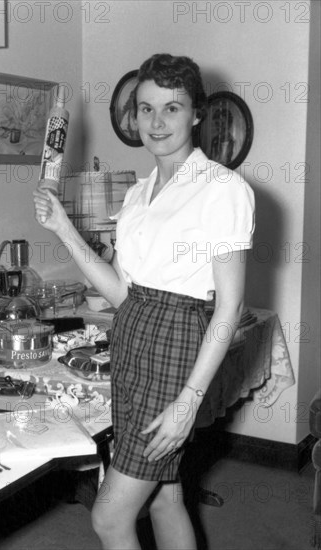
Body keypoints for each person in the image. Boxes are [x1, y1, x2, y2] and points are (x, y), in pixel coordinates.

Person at [34, 53, 255, 550]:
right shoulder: (137, 195)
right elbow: (120, 293)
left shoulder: (223, 190)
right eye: (146, 108)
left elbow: (228, 309)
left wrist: (188, 402)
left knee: (109, 519)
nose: (156, 122)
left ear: (197, 114)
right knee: (164, 499)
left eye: (171, 108)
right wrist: (63, 228)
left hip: (176, 345)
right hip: (131, 335)